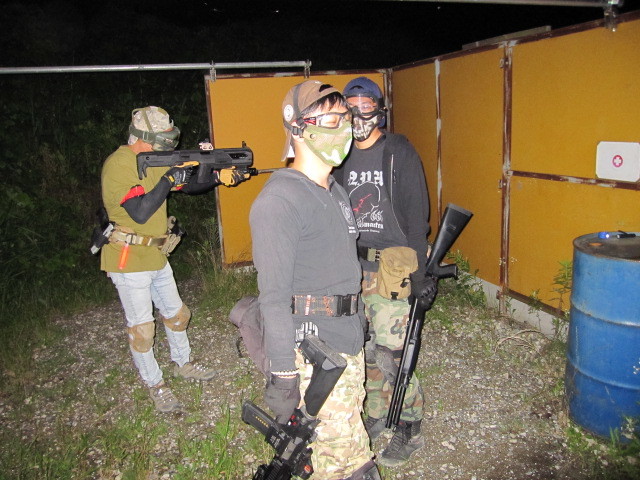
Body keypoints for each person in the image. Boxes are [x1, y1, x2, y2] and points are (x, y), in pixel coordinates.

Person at [249, 80, 381, 480]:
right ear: (298, 128)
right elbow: (273, 298)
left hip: (346, 341)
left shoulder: (335, 190)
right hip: (315, 354)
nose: (344, 128)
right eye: (331, 120)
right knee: (344, 465)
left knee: (345, 451)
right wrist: (284, 377)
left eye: (346, 118)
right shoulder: (279, 201)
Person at [100, 106, 246, 413]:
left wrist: (217, 175)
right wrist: (168, 179)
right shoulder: (120, 164)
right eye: (162, 136)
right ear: (143, 136)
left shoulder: (156, 159)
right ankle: (155, 384)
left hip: (156, 254)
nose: (169, 142)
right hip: (129, 259)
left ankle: (183, 364)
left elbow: (190, 186)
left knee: (177, 315)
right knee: (142, 330)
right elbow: (140, 211)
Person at [334, 77, 437, 467]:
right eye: (351, 106)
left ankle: (410, 426)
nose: (359, 114)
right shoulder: (339, 155)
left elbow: (417, 220)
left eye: (366, 106)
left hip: (393, 268)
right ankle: (378, 413)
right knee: (366, 349)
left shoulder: (398, 152)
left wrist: (421, 273)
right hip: (354, 266)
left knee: (393, 353)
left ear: (379, 110)